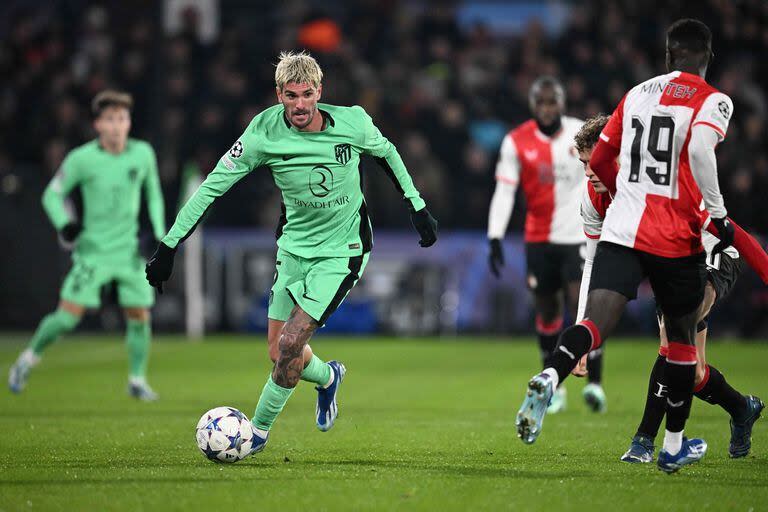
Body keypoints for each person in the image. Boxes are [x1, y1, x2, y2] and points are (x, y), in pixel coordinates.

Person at [144, 51, 438, 455]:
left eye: (307, 94)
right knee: (279, 351)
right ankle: (328, 377)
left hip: (343, 250)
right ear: (278, 94)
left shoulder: (352, 122)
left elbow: (387, 152)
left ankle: (256, 434)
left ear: (320, 91)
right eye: (290, 95)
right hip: (293, 248)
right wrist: (169, 246)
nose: (299, 105)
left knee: (290, 342)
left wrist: (416, 205)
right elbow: (213, 185)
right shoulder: (262, 132)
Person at [516, 19, 737, 473]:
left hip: (658, 236)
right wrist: (717, 211)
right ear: (707, 57)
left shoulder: (637, 95)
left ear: (668, 55)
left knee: (641, 336)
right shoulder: (710, 101)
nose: (589, 174)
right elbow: (697, 152)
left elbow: (605, 162)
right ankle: (668, 442)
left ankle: (562, 377)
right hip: (675, 237)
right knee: (679, 343)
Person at [573, 114, 765, 464]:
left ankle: (644, 441)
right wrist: (584, 336)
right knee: (692, 374)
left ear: (618, 155)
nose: (588, 172)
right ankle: (742, 408)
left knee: (672, 335)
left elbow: (730, 230)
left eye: (592, 162)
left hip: (713, 256)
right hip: (674, 268)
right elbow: (592, 266)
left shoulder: (661, 183)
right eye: (583, 163)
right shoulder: (593, 199)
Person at [8, 90, 166, 401]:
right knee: (67, 317)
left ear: (129, 122)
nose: (117, 125)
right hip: (93, 251)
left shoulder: (142, 154)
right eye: (110, 119)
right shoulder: (81, 159)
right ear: (98, 124)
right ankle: (27, 359)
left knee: (139, 315)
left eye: (122, 118)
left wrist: (161, 237)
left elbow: (154, 195)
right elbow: (51, 195)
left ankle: (136, 379)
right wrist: (64, 225)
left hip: (128, 252)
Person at [487, 76, 604, 413]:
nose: (548, 109)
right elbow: (505, 190)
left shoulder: (580, 133)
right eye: (542, 103)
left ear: (562, 103)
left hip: (578, 235)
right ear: (533, 105)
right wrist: (495, 234)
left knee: (580, 307)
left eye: (553, 102)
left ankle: (594, 383)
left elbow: (604, 176)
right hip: (538, 238)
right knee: (548, 311)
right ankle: (557, 388)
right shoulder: (516, 141)